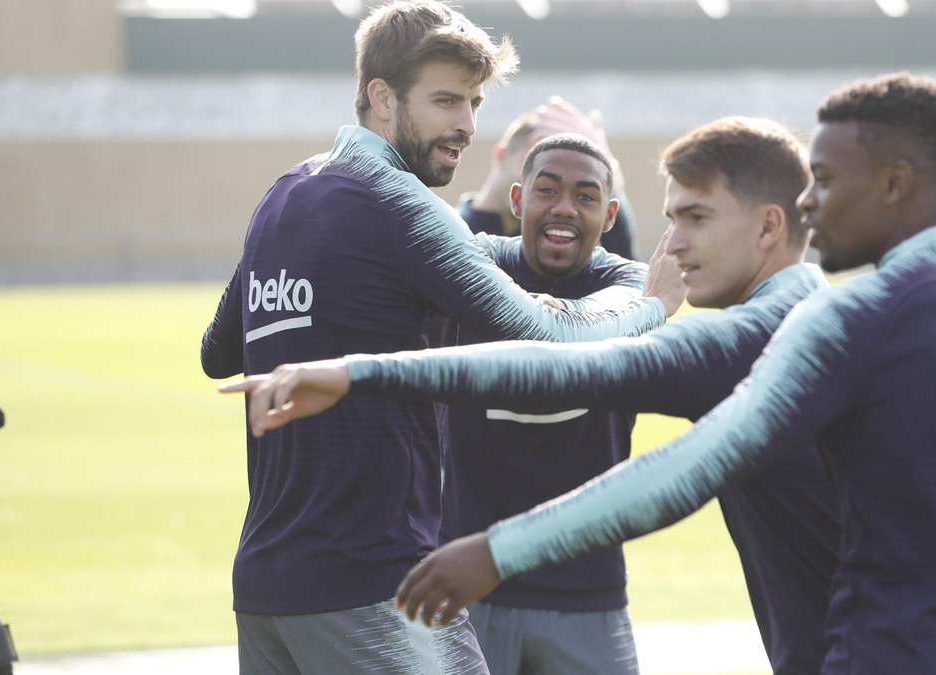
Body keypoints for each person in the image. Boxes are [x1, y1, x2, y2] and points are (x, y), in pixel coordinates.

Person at [389, 73, 936, 673]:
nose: (811, 202)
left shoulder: (844, 332)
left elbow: (651, 443)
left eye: (821, 178)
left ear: (893, 182)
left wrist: (365, 377)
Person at [221, 117, 839, 674]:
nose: (670, 246)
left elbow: (654, 468)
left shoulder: (765, 341)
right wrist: (360, 372)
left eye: (696, 218)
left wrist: (495, 548)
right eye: (672, 218)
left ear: (768, 226)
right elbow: (547, 366)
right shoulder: (827, 322)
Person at [199, 2, 682, 673]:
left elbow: (216, 350)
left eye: (475, 102)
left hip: (265, 585)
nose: (466, 125)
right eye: (446, 100)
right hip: (371, 581)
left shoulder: (284, 194)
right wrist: (652, 305)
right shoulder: (397, 204)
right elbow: (543, 331)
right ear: (381, 96)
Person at [431, 132, 647, 674]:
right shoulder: (471, 269)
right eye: (547, 191)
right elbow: (441, 238)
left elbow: (578, 322)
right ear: (518, 200)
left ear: (609, 213)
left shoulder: (630, 285)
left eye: (586, 196)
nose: (565, 209)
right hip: (465, 587)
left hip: (587, 591)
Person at [461, 96, 638, 260]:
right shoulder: (453, 231)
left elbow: (626, 267)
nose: (562, 206)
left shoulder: (563, 251)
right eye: (546, 185)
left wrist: (606, 174)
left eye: (583, 193)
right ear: (501, 154)